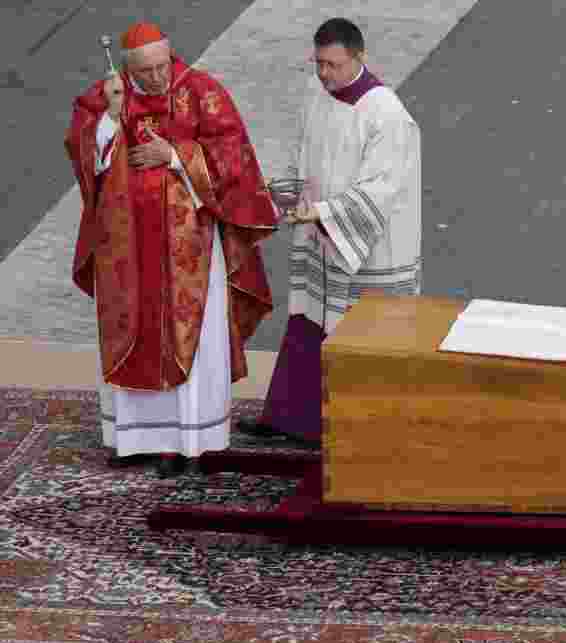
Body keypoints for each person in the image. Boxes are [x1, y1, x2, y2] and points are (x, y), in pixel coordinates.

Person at [65, 22, 279, 476]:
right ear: (128, 68)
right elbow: (84, 152)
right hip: (124, 246)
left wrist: (177, 155)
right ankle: (135, 438)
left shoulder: (201, 91)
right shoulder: (110, 94)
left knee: (190, 339)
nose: (158, 78)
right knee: (133, 330)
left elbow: (234, 155)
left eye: (163, 66)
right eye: (146, 71)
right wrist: (109, 121)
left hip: (190, 247)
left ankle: (188, 440)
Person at [235, 18, 421, 445]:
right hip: (320, 232)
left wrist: (323, 212)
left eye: (333, 65)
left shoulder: (386, 114)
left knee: (359, 334)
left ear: (360, 58)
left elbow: (381, 188)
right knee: (308, 318)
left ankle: (355, 429)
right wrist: (285, 190)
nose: (324, 74)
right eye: (318, 63)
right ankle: (289, 418)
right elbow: (304, 150)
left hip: (367, 246)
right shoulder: (316, 94)